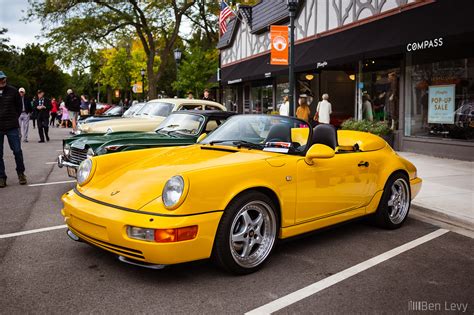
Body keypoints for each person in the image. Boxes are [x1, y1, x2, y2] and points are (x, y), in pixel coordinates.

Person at [0, 71, 27, 187]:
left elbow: (19, 107)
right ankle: (1, 177)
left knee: (17, 151)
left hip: (12, 126)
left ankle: (21, 173)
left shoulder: (13, 91)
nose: (2, 81)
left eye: (3, 78)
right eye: (0, 79)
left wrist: (13, 117)